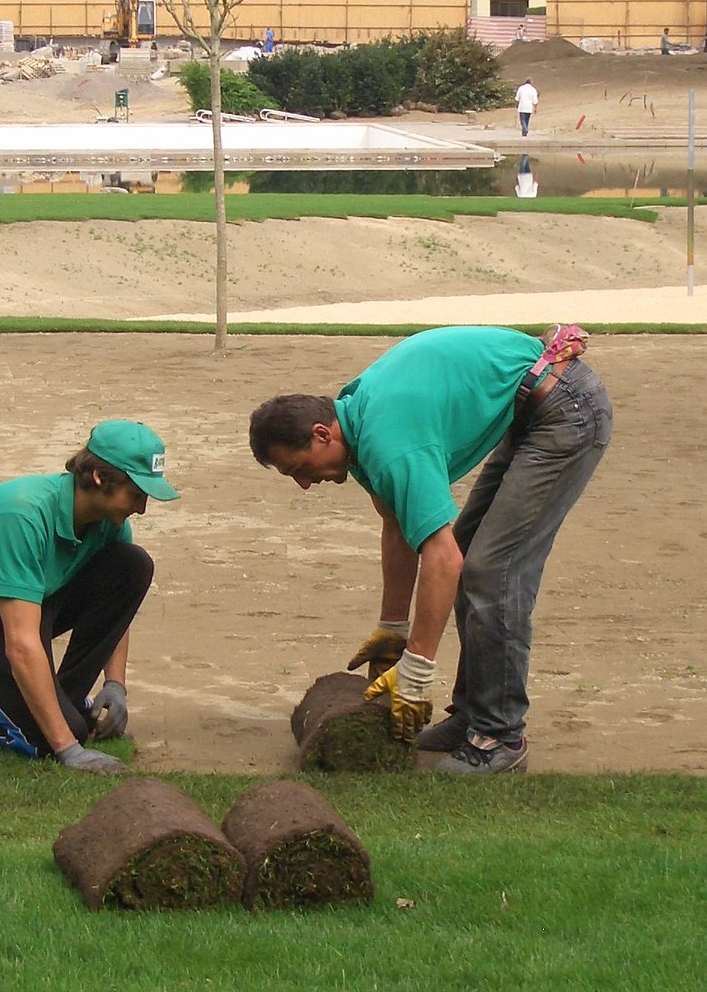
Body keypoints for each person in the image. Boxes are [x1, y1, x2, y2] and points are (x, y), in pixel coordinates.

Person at [249, 325, 611, 776]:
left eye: (299, 469)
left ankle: (500, 736)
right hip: (531, 405)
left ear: (322, 434)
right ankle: (472, 719)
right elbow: (399, 526)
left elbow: (442, 560)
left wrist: (415, 672)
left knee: (489, 571)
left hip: (564, 409)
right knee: (470, 560)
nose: (304, 484)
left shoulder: (389, 443)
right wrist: (391, 629)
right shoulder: (358, 422)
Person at [0, 420, 176, 772]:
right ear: (98, 478)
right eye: (136, 494)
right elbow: (19, 643)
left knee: (132, 564)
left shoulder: (110, 521)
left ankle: (65, 702)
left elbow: (115, 604)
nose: (141, 508)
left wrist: (115, 684)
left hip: (18, 612)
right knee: (48, 741)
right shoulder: (21, 514)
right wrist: (69, 749)